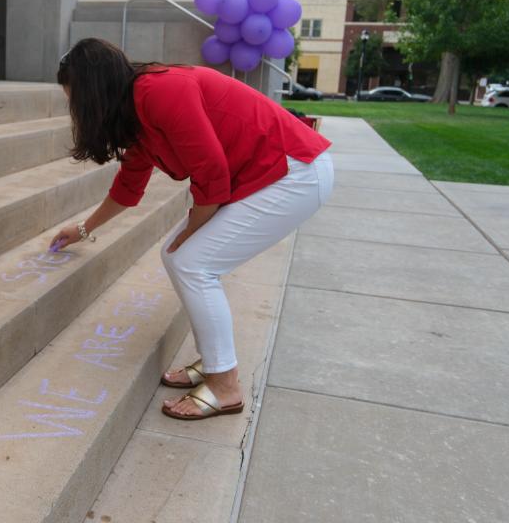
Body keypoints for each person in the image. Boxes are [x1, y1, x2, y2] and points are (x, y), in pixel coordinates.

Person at [49, 38, 333, 421]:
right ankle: (215, 362)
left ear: (92, 90)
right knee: (178, 256)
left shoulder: (159, 91)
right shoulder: (134, 113)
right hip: (262, 175)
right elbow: (129, 187)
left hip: (293, 172)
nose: (75, 110)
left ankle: (225, 385)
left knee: (191, 261)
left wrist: (191, 231)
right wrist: (82, 229)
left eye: (74, 99)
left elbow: (211, 172)